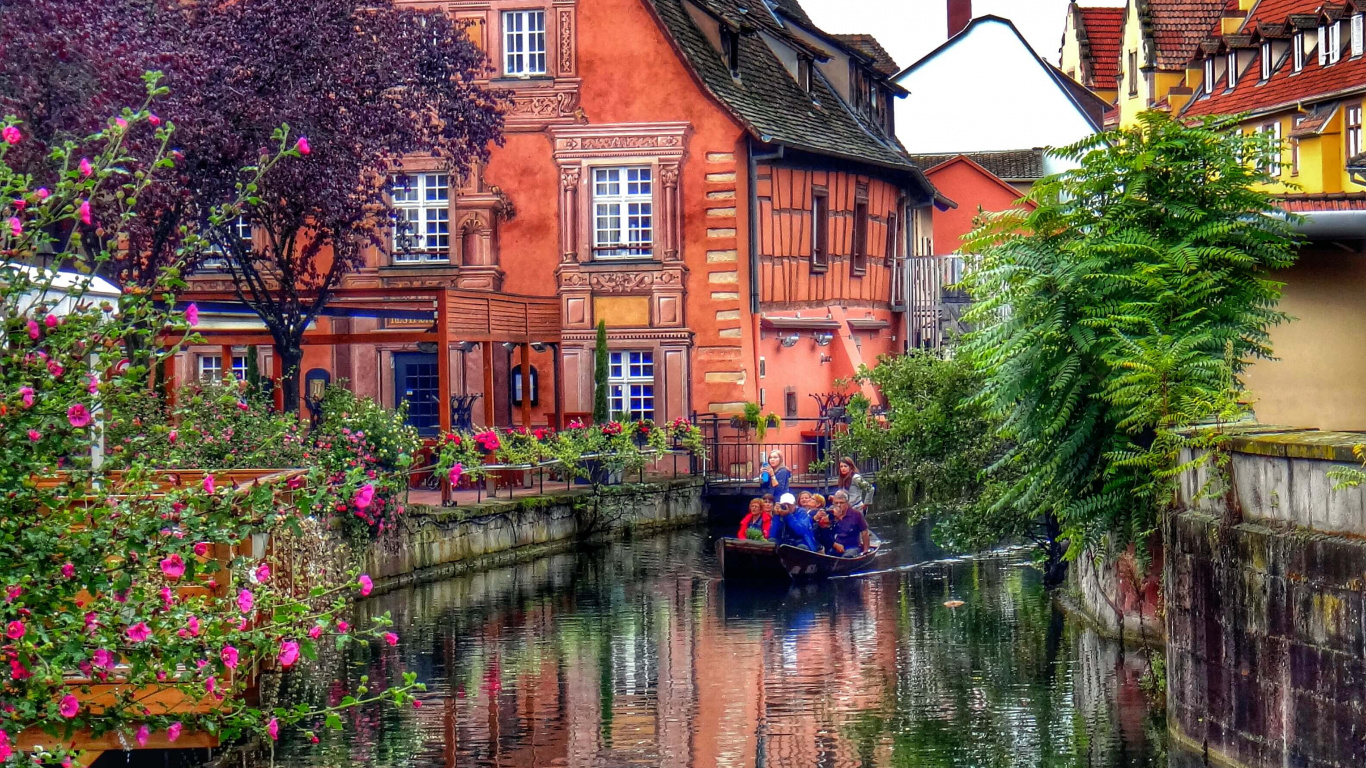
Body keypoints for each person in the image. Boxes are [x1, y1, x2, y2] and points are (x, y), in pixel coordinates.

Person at [829, 490, 871, 557]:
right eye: (836, 503)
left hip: (853, 546)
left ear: (847, 503)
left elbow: (865, 532)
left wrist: (866, 550)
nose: (839, 505)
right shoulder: (831, 514)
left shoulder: (856, 515)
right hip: (837, 545)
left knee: (847, 556)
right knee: (828, 553)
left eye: (841, 503)